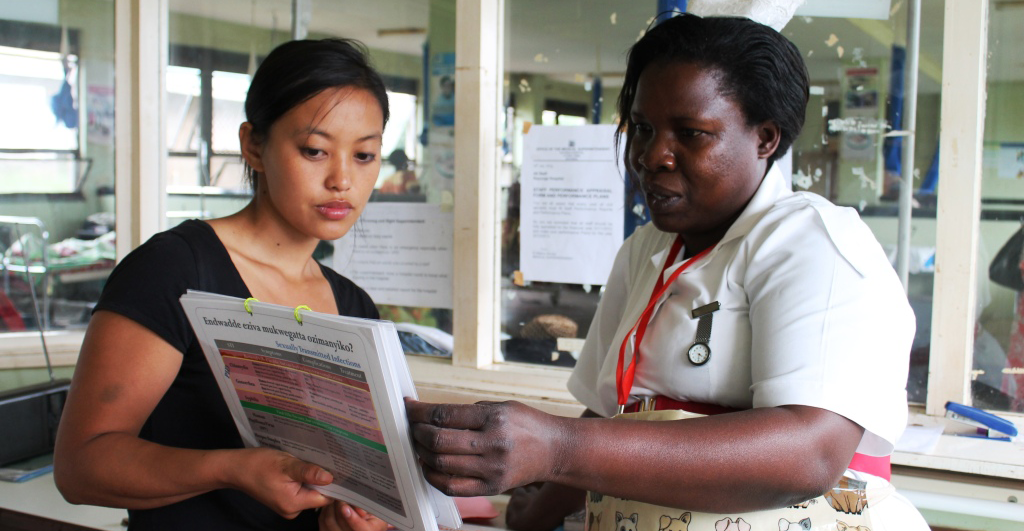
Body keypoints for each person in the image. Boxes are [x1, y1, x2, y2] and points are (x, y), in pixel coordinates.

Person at [406, 14, 928, 531]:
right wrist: (540, 504)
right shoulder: (646, 249)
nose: (652, 156)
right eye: (643, 128)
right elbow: (616, 419)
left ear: (765, 138)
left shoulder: (809, 241)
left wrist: (557, 449)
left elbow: (810, 453)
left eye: (692, 134)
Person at [54, 39, 391, 531]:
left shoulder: (354, 305)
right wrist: (233, 469)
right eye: (315, 150)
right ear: (254, 145)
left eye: (364, 155)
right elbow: (80, 468)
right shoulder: (175, 270)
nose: (342, 180)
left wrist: (349, 520)